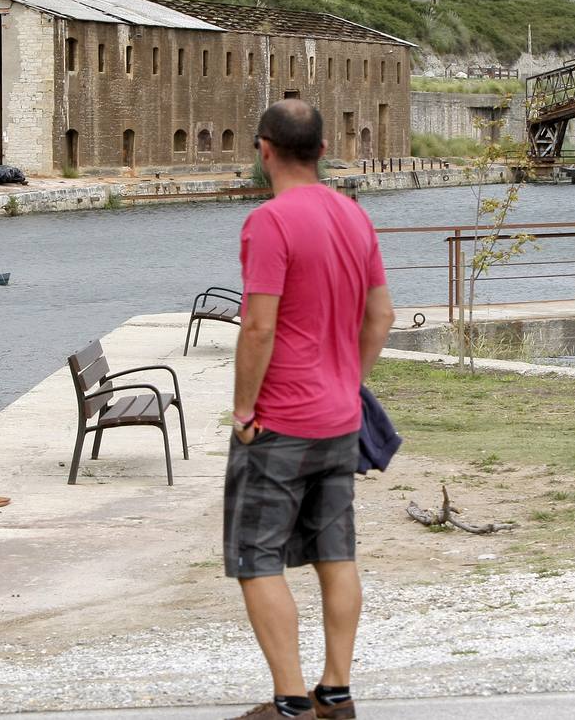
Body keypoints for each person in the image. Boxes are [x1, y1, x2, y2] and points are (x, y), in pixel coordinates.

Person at [224, 99, 395, 720]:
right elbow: (381, 317)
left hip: (280, 422)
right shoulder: (355, 215)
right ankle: (337, 692)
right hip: (339, 418)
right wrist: (349, 378)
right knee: (335, 553)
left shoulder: (269, 222)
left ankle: (291, 702)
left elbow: (259, 327)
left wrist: (244, 408)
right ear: (324, 151)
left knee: (256, 558)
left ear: (263, 149)